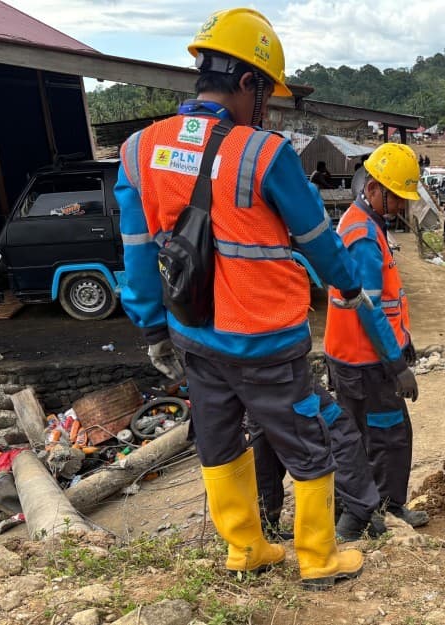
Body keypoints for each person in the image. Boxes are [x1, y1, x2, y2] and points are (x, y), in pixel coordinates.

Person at [115, 7, 367, 589]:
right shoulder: (265, 153)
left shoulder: (139, 150)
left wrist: (153, 329)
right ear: (248, 82)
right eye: (267, 94)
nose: (269, 108)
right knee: (305, 442)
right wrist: (349, 289)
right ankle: (319, 558)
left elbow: (135, 253)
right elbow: (320, 242)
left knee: (220, 438)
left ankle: (245, 548)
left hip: (194, 334)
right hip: (265, 338)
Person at [324, 143, 429, 528]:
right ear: (373, 189)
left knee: (356, 438)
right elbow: (369, 309)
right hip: (366, 361)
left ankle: (358, 507)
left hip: (350, 356)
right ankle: (383, 508)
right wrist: (396, 363)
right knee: (390, 436)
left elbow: (388, 301)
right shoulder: (364, 236)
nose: (401, 207)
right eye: (397, 198)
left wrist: (404, 339)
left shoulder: (361, 222)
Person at [250, 383, 387, 543]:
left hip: (243, 380)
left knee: (265, 433)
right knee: (337, 427)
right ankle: (355, 520)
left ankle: (264, 526)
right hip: (280, 373)